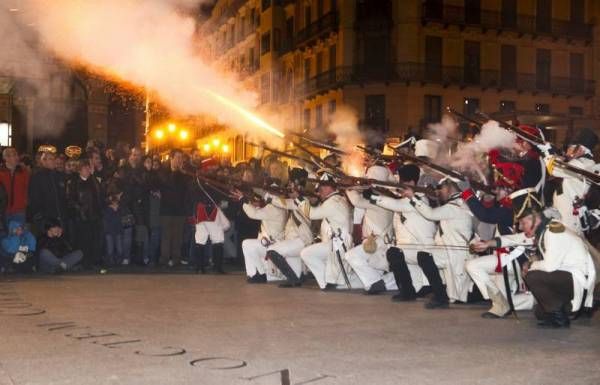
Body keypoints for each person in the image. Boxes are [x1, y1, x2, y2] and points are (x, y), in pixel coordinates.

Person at [474, 203, 596, 328]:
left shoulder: (554, 232)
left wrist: (531, 264)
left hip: (577, 280)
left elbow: (549, 266)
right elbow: (515, 239)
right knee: (540, 313)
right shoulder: (544, 229)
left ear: (535, 220)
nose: (520, 227)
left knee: (532, 276)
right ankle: (566, 309)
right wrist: (488, 243)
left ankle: (561, 320)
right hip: (566, 278)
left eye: (523, 223)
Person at [402, 177, 477, 308]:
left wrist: (412, 197)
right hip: (450, 252)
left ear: (450, 187)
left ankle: (440, 296)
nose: (439, 191)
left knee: (461, 296)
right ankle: (439, 294)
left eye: (441, 188)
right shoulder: (457, 203)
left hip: (457, 255)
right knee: (424, 255)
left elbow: (430, 214)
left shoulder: (454, 206)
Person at [365, 164, 436, 301]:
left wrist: (373, 197)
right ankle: (415, 289)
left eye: (403, 182)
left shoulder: (417, 199)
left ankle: (407, 292)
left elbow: (396, 205)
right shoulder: (412, 198)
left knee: (393, 254)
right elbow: (396, 200)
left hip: (421, 247)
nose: (400, 185)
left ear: (411, 183)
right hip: (412, 245)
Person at [298, 171, 360, 290]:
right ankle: (326, 282)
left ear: (328, 187)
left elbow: (311, 214)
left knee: (347, 283)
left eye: (321, 188)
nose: (319, 191)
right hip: (334, 243)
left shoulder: (333, 202)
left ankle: (382, 282)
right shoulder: (336, 198)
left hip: (340, 244)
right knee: (307, 253)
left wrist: (299, 199)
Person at [344, 163, 394, 294]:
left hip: (378, 243)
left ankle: (377, 284)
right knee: (370, 276)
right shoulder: (387, 197)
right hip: (377, 242)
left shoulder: (380, 200)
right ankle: (380, 283)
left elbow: (356, 201)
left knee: (351, 255)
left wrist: (349, 187)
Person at [263, 168, 314, 287]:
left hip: (300, 240)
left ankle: (293, 279)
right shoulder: (298, 199)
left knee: (272, 250)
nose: (289, 185)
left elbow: (285, 204)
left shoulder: (302, 200)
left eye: (291, 182)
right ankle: (295, 279)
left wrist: (270, 197)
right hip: (293, 240)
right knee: (295, 271)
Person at [545, 128, 599, 235]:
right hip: (564, 214)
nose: (567, 151)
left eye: (570, 148)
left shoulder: (583, 164)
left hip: (570, 220)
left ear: (580, 150)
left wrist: (548, 152)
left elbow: (554, 169)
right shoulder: (578, 163)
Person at [235, 183, 287, 283]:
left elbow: (253, 214)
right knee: (249, 245)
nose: (266, 194)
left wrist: (243, 200)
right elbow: (261, 211)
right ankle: (255, 273)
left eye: (269, 192)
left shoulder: (273, 207)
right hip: (272, 242)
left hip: (272, 244)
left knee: (247, 244)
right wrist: (253, 204)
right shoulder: (279, 206)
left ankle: (259, 274)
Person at [66, 157, 103, 269]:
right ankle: (83, 262)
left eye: (88, 167)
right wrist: (80, 209)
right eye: (85, 168)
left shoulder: (94, 181)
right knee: (83, 240)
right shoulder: (73, 182)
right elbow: (70, 199)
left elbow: (99, 195)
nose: (87, 170)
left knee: (94, 239)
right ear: (79, 170)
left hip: (94, 215)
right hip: (81, 217)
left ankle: (93, 261)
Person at [158, 149, 190, 266]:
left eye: (181, 157)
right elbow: (167, 182)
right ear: (171, 158)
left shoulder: (184, 174)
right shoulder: (163, 171)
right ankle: (164, 259)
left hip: (180, 210)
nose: (179, 160)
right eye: (177, 157)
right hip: (166, 209)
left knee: (178, 237)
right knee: (166, 236)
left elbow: (187, 188)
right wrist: (177, 172)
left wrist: (182, 173)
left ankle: (176, 259)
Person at [28, 148, 68, 234]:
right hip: (46, 221)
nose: (54, 161)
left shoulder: (59, 176)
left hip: (60, 220)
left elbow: (63, 199)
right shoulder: (37, 177)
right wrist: (45, 224)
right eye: (51, 159)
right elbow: (35, 202)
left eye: (54, 158)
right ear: (43, 161)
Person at [0, 147, 30, 226]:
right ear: (5, 158)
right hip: (3, 211)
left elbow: (27, 189)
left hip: (19, 211)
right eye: (12, 155)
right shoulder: (0, 172)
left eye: (16, 155)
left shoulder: (24, 172)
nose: (16, 157)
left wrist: (25, 202)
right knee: (4, 236)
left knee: (19, 236)